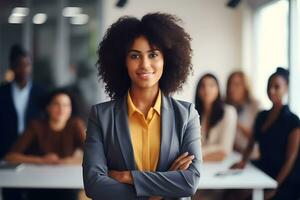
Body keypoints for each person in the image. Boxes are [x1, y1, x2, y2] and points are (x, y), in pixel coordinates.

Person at [83, 13, 202, 200]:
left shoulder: (186, 115)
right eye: (135, 56)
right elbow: (94, 186)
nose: (144, 64)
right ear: (123, 62)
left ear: (166, 59)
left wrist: (127, 176)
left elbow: (189, 182)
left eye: (153, 54)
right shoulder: (101, 116)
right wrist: (159, 192)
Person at [231, 68, 300, 200]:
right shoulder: (262, 116)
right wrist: (242, 161)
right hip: (266, 168)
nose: (271, 90)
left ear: (286, 89)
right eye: (269, 86)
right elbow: (250, 144)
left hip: (286, 178)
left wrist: (274, 187)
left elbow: (290, 160)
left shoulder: (293, 121)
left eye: (276, 87)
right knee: (233, 193)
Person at [5, 89, 85, 200]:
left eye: (66, 105)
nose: (62, 109)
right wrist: (42, 160)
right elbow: (11, 157)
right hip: (37, 183)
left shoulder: (76, 125)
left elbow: (95, 155)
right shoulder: (36, 126)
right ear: (48, 107)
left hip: (67, 184)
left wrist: (66, 161)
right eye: (57, 104)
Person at [0, 44, 46, 159]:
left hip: (34, 148)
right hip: (5, 147)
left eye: (27, 65)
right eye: (19, 65)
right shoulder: (2, 92)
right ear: (12, 66)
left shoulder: (41, 93)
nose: (24, 69)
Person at [195, 73, 237, 162]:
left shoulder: (229, 112)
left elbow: (224, 149)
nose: (207, 89)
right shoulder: (194, 114)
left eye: (211, 85)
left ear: (218, 89)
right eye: (202, 86)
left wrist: (196, 154)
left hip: (221, 164)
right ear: (198, 91)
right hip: (200, 164)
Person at [226, 71, 260, 158]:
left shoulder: (255, 105)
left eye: (237, 84)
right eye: (230, 84)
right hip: (233, 155)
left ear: (245, 86)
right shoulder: (225, 106)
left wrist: (236, 123)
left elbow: (258, 136)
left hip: (252, 157)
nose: (232, 88)